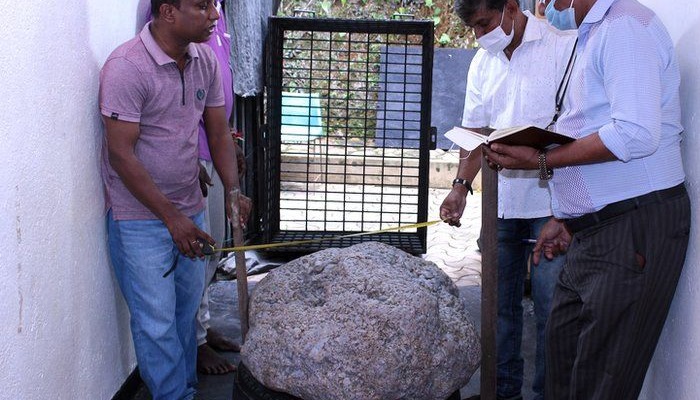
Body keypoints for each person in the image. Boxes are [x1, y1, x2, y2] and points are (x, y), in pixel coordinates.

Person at [482, 0, 690, 398]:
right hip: (597, 229)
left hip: (631, 226)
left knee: (600, 383)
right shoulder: (593, 31)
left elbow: (635, 134)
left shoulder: (625, 26)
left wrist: (541, 160)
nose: (544, 4)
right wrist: (566, 216)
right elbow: (590, 123)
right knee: (565, 362)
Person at [99, 1, 250, 398]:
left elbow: (218, 133)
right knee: (156, 323)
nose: (214, 15)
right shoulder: (126, 67)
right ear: (168, 12)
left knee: (185, 316)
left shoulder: (204, 60)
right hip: (139, 219)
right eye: (202, 6)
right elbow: (121, 155)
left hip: (189, 209)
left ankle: (185, 389)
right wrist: (172, 219)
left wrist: (233, 191)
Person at [441, 1, 576, 399]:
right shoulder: (483, 62)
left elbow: (578, 127)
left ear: (511, 8)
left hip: (551, 207)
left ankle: (547, 394)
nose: (481, 36)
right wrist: (460, 187)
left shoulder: (561, 46)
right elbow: (475, 132)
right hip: (500, 206)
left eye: (485, 24)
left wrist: (566, 210)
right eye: (474, 29)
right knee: (498, 308)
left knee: (551, 309)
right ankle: (503, 393)